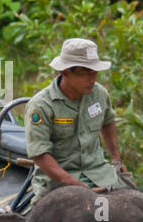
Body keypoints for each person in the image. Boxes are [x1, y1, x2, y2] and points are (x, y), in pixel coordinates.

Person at [23, 37, 132, 206]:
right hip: (58, 180)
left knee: (139, 208)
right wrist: (73, 183)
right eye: (85, 73)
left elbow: (108, 121)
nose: (92, 79)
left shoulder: (99, 94)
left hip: (100, 173)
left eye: (95, 72)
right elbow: (40, 154)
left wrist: (116, 159)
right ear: (66, 72)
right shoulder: (41, 106)